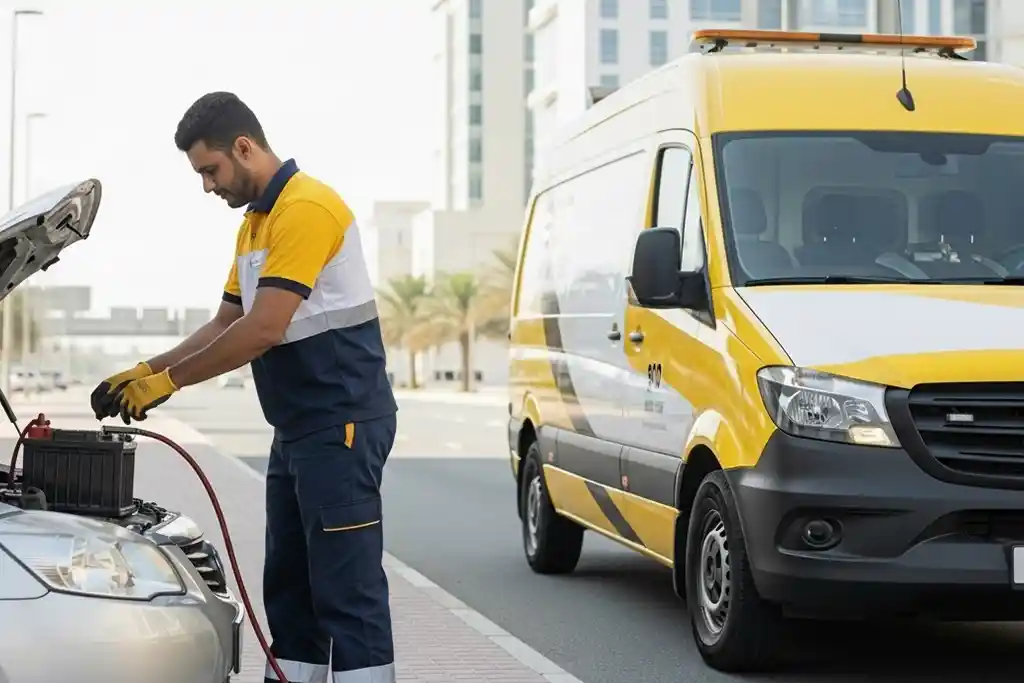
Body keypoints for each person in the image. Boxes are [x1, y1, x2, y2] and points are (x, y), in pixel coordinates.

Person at [90, 91, 399, 683]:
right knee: (290, 588)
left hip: (342, 424)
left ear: (244, 147)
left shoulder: (309, 208)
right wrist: (143, 371)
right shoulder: (255, 225)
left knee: (346, 592)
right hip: (298, 428)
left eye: (211, 170)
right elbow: (224, 321)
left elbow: (264, 328)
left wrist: (168, 385)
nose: (207, 186)